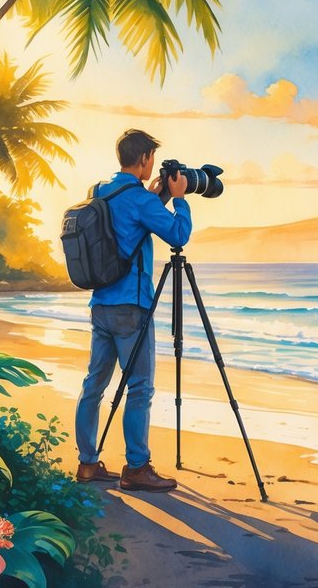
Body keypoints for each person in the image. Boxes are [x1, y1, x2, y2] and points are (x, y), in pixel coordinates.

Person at [74, 129, 191, 492]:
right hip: (131, 308)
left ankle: (88, 464)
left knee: (94, 385)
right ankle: (137, 468)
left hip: (101, 304)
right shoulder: (140, 199)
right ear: (144, 159)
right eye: (151, 158)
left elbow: (125, 224)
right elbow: (177, 234)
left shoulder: (100, 190)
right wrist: (180, 198)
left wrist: (155, 197)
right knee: (139, 388)